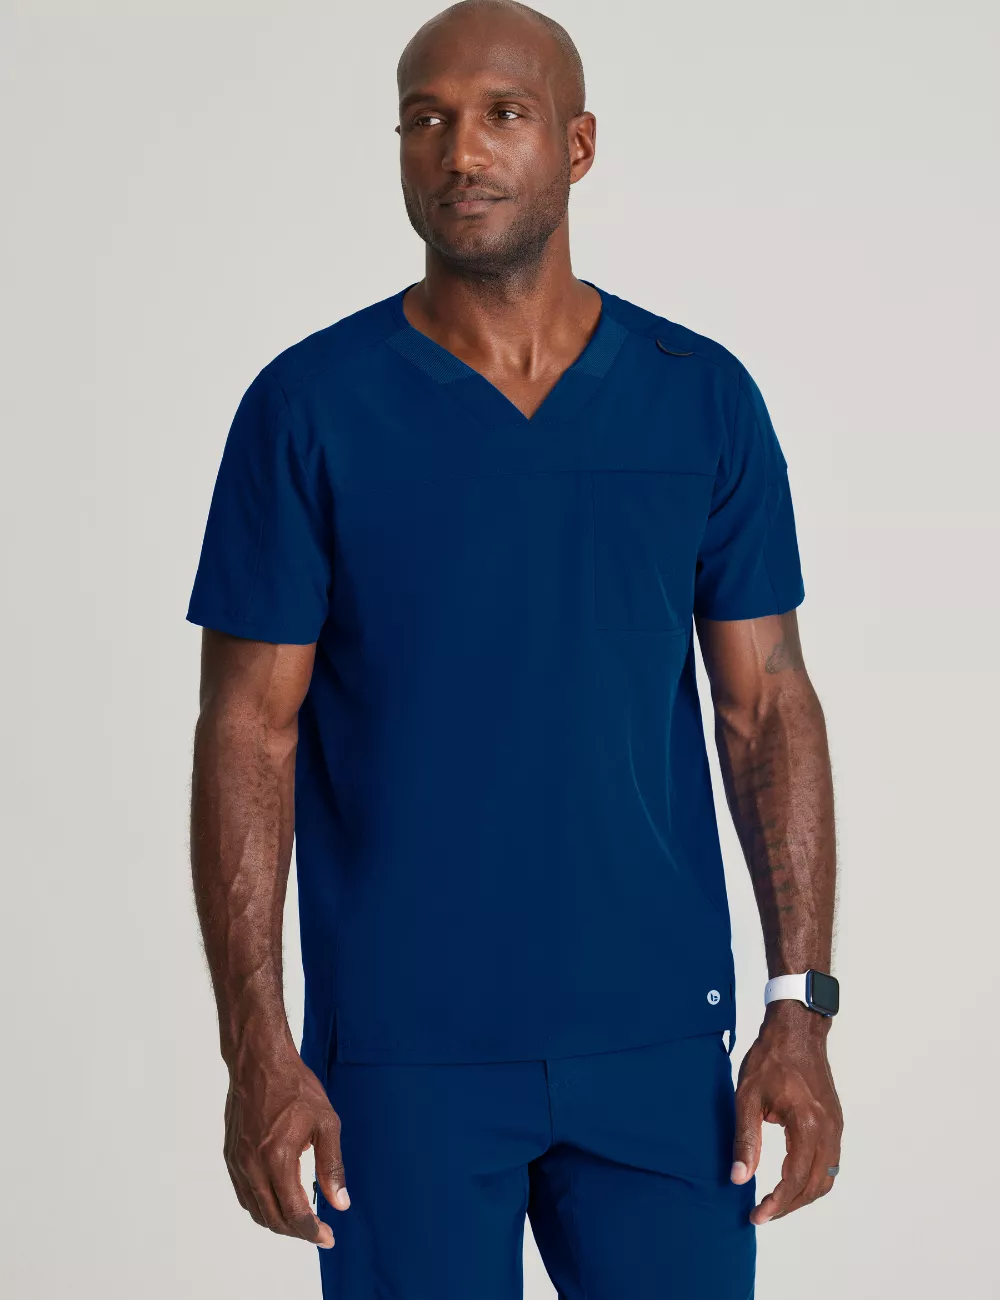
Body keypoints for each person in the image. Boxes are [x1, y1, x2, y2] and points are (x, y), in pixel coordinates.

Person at [186, 2, 844, 1296]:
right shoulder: (309, 409)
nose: (461, 150)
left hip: (660, 1048)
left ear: (577, 144)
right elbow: (248, 730)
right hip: (400, 1059)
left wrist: (799, 1005)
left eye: (502, 114)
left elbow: (768, 706)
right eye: (424, 119)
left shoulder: (698, 395)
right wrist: (256, 1045)